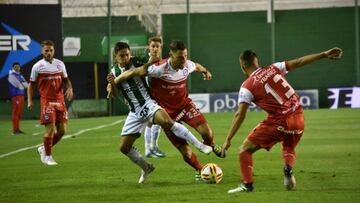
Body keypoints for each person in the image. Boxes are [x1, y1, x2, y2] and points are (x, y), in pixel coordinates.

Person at [221, 47, 343, 193]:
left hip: (279, 121)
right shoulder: (274, 68)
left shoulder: (247, 87)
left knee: (245, 150)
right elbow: (298, 62)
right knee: (289, 147)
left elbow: (239, 115)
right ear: (257, 61)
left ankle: (247, 184)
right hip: (299, 117)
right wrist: (323, 54)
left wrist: (228, 139)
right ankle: (288, 169)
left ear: (242, 66)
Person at [112, 40, 224, 180]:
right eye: (180, 57)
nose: (184, 59)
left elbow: (196, 66)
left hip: (184, 106)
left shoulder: (187, 65)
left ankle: (209, 145)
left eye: (185, 56)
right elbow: (139, 71)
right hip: (163, 111)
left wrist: (205, 71)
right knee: (186, 154)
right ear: (171, 55)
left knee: (207, 133)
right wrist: (113, 84)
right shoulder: (159, 69)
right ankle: (201, 170)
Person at [27, 40, 74, 166]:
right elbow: (31, 85)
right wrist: (30, 100)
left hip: (60, 101)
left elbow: (66, 80)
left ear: (54, 50)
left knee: (62, 131)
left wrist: (69, 88)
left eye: (51, 50)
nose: (49, 53)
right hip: (47, 101)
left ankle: (43, 148)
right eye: (46, 50)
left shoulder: (60, 64)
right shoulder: (37, 67)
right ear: (42, 51)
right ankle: (48, 157)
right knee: (50, 129)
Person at [143, 36, 166, 158]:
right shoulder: (147, 62)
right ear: (149, 47)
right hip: (149, 97)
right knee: (150, 122)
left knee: (158, 122)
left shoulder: (161, 61)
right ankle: (148, 148)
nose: (155, 49)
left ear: (161, 48)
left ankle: (153, 146)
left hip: (159, 96)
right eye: (153, 46)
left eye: (157, 46)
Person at [8, 62, 29, 135]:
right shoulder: (11, 75)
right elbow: (18, 85)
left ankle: (17, 129)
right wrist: (23, 84)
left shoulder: (20, 75)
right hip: (16, 95)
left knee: (19, 113)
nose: (17, 68)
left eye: (18, 67)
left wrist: (29, 86)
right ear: (13, 68)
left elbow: (26, 84)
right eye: (15, 67)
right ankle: (14, 130)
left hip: (21, 95)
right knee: (16, 112)